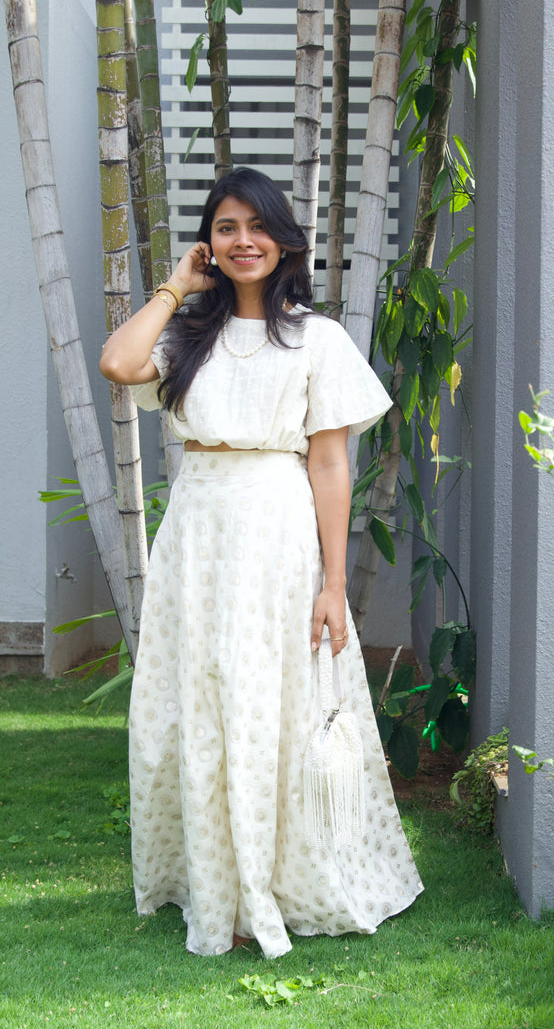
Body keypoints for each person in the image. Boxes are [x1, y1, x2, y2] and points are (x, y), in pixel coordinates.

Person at [99, 166, 423, 959]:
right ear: (208, 242)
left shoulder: (318, 338)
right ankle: (211, 882)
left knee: (269, 701)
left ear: (284, 241)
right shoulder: (185, 336)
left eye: (257, 227)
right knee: (200, 699)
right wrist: (178, 287)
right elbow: (117, 363)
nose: (242, 242)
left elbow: (330, 467)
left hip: (277, 534)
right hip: (198, 534)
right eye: (226, 227)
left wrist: (336, 585)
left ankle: (272, 884)